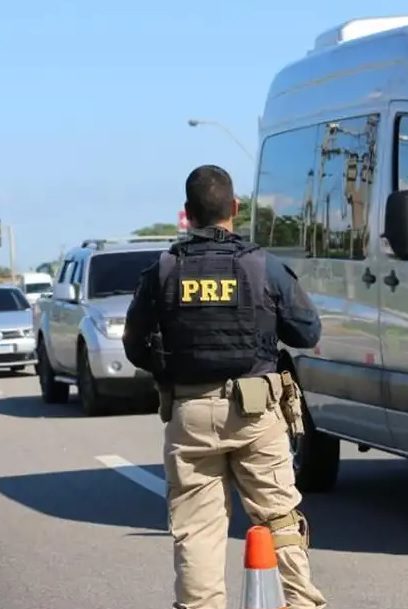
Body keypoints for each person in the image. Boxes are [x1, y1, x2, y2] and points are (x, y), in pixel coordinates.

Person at [123, 165, 327, 609]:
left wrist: (172, 367)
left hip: (190, 412)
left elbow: (134, 346)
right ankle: (301, 603)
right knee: (278, 518)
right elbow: (308, 332)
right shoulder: (263, 267)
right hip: (256, 412)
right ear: (235, 208)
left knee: (197, 530)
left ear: (187, 214)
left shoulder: (163, 271)